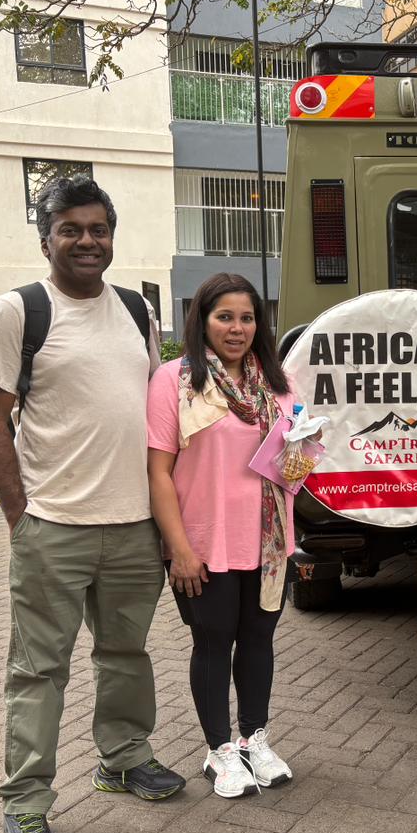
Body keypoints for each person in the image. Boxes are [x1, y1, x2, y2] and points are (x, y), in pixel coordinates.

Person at [0, 176, 185, 833]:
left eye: (98, 229)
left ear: (112, 237)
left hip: (133, 527)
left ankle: (123, 757)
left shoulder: (137, 310)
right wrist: (20, 515)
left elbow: (155, 412)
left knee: (126, 655)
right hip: (54, 526)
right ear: (47, 241)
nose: (87, 241)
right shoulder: (19, 311)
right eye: (71, 230)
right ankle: (25, 803)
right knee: (38, 671)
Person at [146, 273, 297, 800]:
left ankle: (255, 738)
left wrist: (305, 453)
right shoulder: (175, 381)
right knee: (212, 643)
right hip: (204, 545)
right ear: (203, 320)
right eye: (225, 317)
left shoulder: (279, 384)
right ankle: (219, 750)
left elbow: (291, 469)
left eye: (247, 318)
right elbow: (158, 472)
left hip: (269, 544)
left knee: (259, 642)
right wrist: (179, 550)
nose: (237, 328)